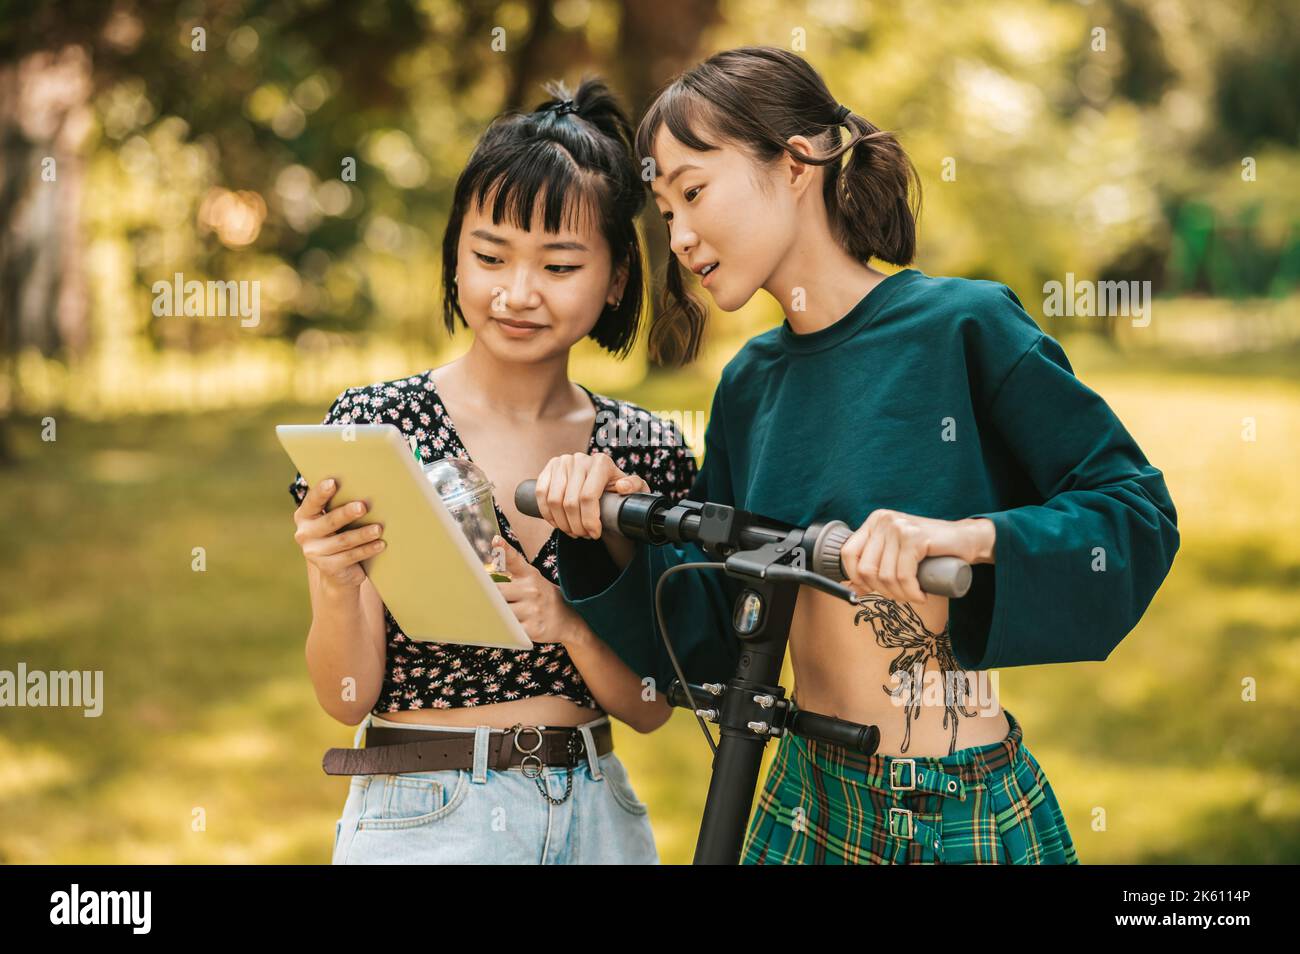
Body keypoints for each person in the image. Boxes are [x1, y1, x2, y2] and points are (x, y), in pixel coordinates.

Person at [531, 47, 1180, 864]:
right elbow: (720, 640)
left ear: (797, 161)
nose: (681, 237)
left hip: (947, 808)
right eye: (664, 214)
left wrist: (968, 538)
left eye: (693, 192)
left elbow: (1134, 515)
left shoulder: (962, 329)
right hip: (800, 792)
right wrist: (611, 526)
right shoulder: (748, 385)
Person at [288, 78, 694, 864]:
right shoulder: (378, 431)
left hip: (595, 818)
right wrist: (337, 581)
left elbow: (650, 709)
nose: (517, 293)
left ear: (615, 279)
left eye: (560, 264)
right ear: (455, 255)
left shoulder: (643, 453)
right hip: (426, 816)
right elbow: (345, 700)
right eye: (489, 256)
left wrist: (567, 623)